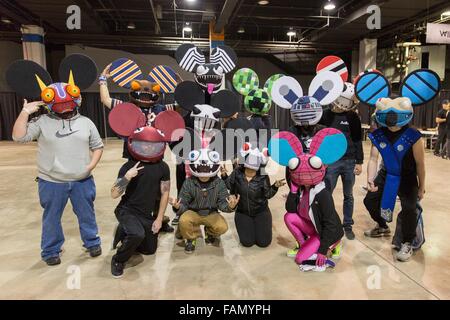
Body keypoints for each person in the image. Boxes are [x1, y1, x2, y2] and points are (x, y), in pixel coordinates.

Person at [7, 55, 103, 266]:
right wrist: (25, 112)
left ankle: (92, 241)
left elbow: (97, 147)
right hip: (51, 182)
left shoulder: (86, 122)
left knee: (87, 214)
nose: (66, 108)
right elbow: (18, 136)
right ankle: (50, 250)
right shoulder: (41, 122)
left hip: (82, 181)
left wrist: (90, 166)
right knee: (51, 218)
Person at [355, 69, 439, 262]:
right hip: (387, 173)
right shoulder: (379, 133)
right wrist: (370, 178)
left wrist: (422, 186)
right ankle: (382, 225)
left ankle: (407, 241)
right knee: (370, 201)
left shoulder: (413, 135)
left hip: (408, 177)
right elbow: (374, 158)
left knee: (409, 208)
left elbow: (420, 164)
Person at [107, 103, 184, 277]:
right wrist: (127, 177)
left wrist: (158, 219)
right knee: (137, 234)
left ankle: (125, 232)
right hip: (127, 211)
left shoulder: (163, 167)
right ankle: (118, 259)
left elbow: (165, 193)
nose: (148, 148)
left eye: (153, 145)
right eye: (144, 144)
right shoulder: (129, 165)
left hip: (146, 214)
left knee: (149, 250)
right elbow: (113, 194)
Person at [99, 62, 175, 233]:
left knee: (158, 189)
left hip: (157, 154)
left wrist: (179, 85)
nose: (146, 95)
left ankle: (160, 220)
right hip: (134, 156)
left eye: (151, 92)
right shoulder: (127, 107)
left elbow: (179, 107)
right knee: (136, 186)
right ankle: (131, 217)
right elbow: (105, 99)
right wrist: (103, 80)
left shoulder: (161, 109)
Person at [268, 129, 347, 272]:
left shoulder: (323, 194)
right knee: (289, 217)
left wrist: (322, 250)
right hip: (313, 227)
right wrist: (293, 190)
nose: (304, 174)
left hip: (325, 233)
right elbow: (291, 210)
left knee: (300, 259)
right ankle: (305, 245)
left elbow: (330, 224)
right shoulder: (300, 188)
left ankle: (334, 244)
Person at [169, 148, 239, 254]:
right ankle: (191, 239)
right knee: (183, 220)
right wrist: (177, 207)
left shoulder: (219, 183)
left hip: (211, 212)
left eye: (206, 169)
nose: (203, 173)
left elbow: (222, 203)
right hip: (193, 212)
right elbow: (184, 203)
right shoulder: (189, 182)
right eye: (200, 168)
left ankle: (209, 232)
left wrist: (231, 206)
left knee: (222, 227)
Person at [320, 83, 363, 240]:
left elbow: (358, 140)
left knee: (348, 195)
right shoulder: (325, 115)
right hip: (331, 162)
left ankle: (347, 225)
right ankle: (328, 222)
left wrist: (359, 161)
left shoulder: (353, 117)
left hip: (350, 161)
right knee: (327, 194)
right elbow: (319, 138)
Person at [222, 143, 285, 247]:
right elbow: (229, 186)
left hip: (261, 212)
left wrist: (275, 186)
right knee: (247, 242)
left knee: (263, 243)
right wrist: (224, 176)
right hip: (242, 212)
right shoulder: (237, 172)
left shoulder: (263, 175)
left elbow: (268, 194)